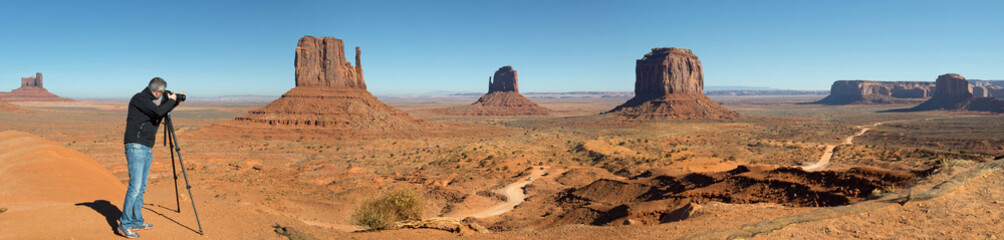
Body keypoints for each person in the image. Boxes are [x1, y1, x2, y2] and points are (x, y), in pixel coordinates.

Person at [118, 77, 183, 238]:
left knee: (141, 187)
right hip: (136, 146)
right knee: (135, 187)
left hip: (146, 147)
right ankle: (124, 224)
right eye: (161, 94)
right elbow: (159, 112)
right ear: (158, 91)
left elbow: (157, 116)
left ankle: (137, 221)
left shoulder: (149, 103)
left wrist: (173, 102)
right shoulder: (140, 98)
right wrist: (171, 101)